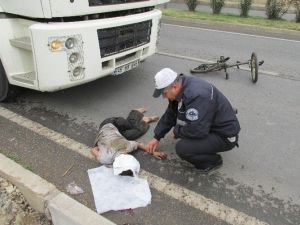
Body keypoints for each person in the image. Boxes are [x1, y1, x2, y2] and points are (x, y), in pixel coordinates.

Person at [147, 68, 240, 174]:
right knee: (186, 125)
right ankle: (205, 146)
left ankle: (213, 162)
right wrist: (157, 137)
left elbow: (198, 130)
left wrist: (177, 131)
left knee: (182, 148)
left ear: (174, 87)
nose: (163, 97)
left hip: (225, 135)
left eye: (164, 93)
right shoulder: (182, 85)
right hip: (211, 124)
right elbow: (171, 113)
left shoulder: (197, 95)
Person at [91, 108, 167, 173]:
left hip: (108, 123)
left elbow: (93, 150)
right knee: (136, 132)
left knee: (130, 125)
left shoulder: (124, 147)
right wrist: (103, 146)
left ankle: (135, 112)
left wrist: (153, 152)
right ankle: (145, 120)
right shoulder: (107, 157)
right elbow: (94, 150)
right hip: (116, 131)